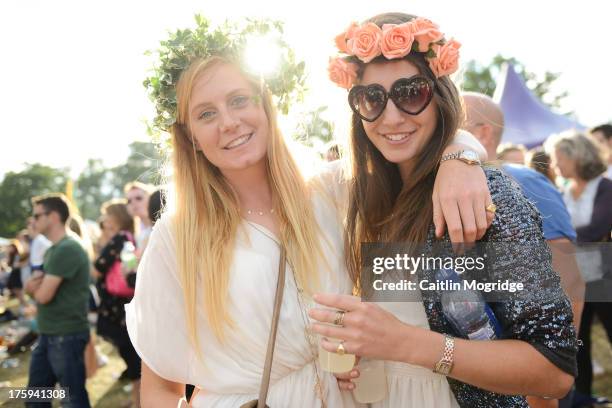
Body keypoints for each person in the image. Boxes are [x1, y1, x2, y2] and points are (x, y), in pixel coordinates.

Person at [126, 16, 493, 407]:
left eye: (238, 100)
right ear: (191, 138)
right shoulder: (177, 235)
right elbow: (161, 386)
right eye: (206, 114)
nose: (229, 123)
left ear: (266, 105)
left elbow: (412, 138)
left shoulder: (334, 191)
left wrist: (460, 156)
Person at [310, 12, 578, 407]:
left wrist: (407, 344)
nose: (392, 116)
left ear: (439, 97)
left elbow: (554, 370)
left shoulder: (487, 194)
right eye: (372, 98)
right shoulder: (355, 196)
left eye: (411, 93)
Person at [463, 92, 584, 407]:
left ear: (483, 132)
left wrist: (547, 371)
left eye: (454, 121)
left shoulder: (519, 180)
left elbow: (567, 271)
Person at [546, 131, 612, 406]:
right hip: (574, 277)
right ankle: (582, 397)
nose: (556, 165)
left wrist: (560, 238)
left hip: (603, 274)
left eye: (560, 158)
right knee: (578, 339)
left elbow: (598, 227)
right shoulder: (562, 190)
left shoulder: (605, 186)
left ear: (577, 156)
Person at [24, 193, 91, 408]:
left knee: (73, 400)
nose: (32, 221)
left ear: (52, 216)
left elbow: (42, 294)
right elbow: (35, 287)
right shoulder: (54, 249)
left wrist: (32, 289)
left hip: (65, 335)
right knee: (35, 398)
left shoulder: (67, 248)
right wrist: (32, 288)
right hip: (51, 334)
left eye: (37, 215)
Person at [94, 199, 141, 407]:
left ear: (117, 217)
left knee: (132, 357)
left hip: (115, 306)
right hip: (124, 301)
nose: (105, 220)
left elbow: (97, 268)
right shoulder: (129, 236)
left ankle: (139, 401)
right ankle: (136, 400)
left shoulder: (119, 238)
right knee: (133, 356)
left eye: (108, 215)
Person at [124, 181, 154, 253]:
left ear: (150, 198)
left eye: (138, 198)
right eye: (129, 201)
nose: (133, 202)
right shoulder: (137, 231)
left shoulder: (161, 223)